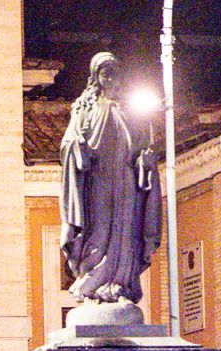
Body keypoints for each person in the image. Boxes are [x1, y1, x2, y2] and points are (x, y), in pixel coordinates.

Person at [59, 51, 162, 307]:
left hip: (126, 182)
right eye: (104, 74)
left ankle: (120, 286)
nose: (110, 79)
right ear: (96, 77)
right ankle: (92, 284)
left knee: (126, 233)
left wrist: (144, 161)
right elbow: (68, 143)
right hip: (98, 181)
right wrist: (78, 146)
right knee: (99, 230)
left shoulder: (131, 112)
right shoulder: (85, 109)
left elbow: (142, 147)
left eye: (113, 74)